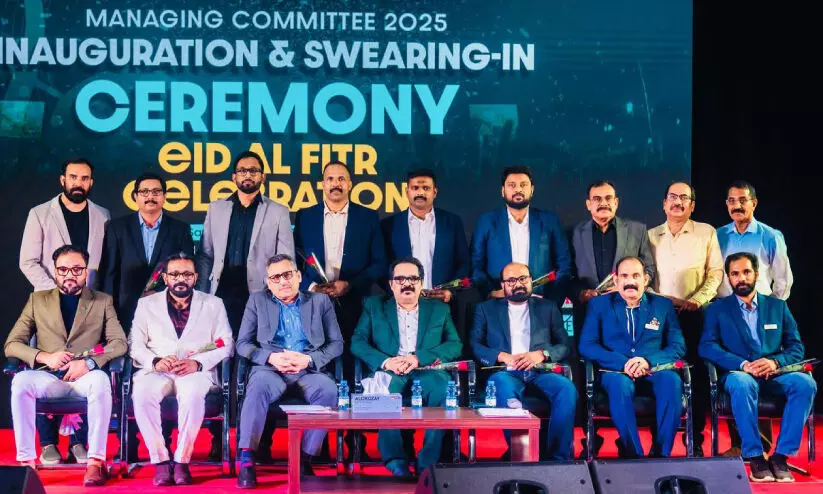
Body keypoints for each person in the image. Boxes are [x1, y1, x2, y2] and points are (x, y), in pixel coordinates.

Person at [197, 150, 294, 460]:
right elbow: (206, 255)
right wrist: (203, 296)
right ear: (234, 176)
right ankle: (218, 438)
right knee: (219, 363)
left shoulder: (278, 211)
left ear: (262, 176)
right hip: (222, 297)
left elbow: (286, 260)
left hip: (262, 298)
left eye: (253, 170)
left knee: (260, 365)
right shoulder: (217, 208)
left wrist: (278, 296)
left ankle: (261, 441)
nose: (247, 175)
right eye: (242, 170)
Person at [4, 245, 127, 486]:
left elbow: (119, 343)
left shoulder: (102, 301)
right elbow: (12, 344)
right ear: (55, 272)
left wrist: (89, 363)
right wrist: (44, 356)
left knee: (101, 380)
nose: (70, 274)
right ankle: (26, 463)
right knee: (20, 382)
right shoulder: (37, 300)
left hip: (84, 377)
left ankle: (95, 463)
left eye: (77, 269)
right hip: (49, 377)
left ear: (86, 272)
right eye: (63, 269)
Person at [293, 160, 387, 457]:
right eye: (330, 179)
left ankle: (354, 440)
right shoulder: (305, 216)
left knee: (351, 370)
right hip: (314, 305)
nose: (336, 184)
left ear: (350, 184)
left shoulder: (367, 217)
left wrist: (351, 284)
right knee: (320, 369)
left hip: (353, 305)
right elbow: (294, 260)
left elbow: (380, 263)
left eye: (341, 179)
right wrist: (311, 285)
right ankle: (318, 441)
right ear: (322, 184)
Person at [20, 158, 109, 463]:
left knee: (85, 370)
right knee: (46, 370)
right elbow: (28, 261)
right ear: (63, 180)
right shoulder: (40, 213)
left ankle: (78, 442)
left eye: (84, 178)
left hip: (87, 306)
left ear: (91, 182)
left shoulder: (102, 215)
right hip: (49, 305)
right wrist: (58, 289)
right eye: (73, 177)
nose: (78, 183)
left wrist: (83, 292)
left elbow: (102, 264)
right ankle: (48, 442)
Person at [699, 252, 815, 483]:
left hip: (774, 374)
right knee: (742, 383)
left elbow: (796, 348)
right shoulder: (717, 309)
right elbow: (707, 346)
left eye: (746, 272)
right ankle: (755, 456)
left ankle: (780, 457)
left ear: (756, 274)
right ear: (729, 278)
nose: (741, 278)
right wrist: (743, 364)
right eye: (735, 274)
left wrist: (775, 362)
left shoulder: (777, 306)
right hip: (739, 373)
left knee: (805, 383)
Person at [235, 254, 343, 488]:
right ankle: (247, 459)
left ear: (298, 276)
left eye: (287, 275)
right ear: (268, 282)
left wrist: (309, 360)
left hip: (308, 370)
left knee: (328, 391)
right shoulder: (257, 301)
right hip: (271, 369)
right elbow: (242, 343)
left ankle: (305, 458)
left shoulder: (320, 302)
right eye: (276, 277)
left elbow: (336, 344)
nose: (283, 281)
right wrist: (270, 357)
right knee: (257, 387)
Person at [350, 257, 462, 477]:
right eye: (400, 279)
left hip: (426, 369)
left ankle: (428, 461)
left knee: (443, 390)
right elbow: (357, 341)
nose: (407, 284)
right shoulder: (374, 306)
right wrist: (386, 361)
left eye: (413, 278)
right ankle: (395, 461)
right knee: (384, 391)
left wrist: (418, 358)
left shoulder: (439, 309)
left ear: (421, 283)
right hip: (390, 368)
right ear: (391, 284)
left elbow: (454, 344)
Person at [130, 252, 234, 486]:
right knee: (142, 394)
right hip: (157, 370)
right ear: (165, 277)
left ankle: (181, 461)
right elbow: (135, 345)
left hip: (195, 371)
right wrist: (155, 361)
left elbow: (227, 344)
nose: (181, 279)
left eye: (187, 274)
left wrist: (198, 363)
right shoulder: (146, 304)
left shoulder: (213, 304)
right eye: (175, 274)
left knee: (192, 394)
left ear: (195, 277)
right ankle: (160, 460)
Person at [570, 179, 656, 456]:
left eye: (608, 198)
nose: (603, 203)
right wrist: (581, 292)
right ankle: (590, 439)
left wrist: (627, 288)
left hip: (628, 309)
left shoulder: (637, 230)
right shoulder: (575, 232)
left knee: (628, 372)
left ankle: (627, 440)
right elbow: (567, 272)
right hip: (589, 311)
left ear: (617, 202)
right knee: (586, 373)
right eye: (597, 199)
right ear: (588, 204)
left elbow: (649, 269)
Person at [579, 256, 686, 458]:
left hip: (654, 369)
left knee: (671, 381)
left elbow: (677, 346)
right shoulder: (599, 305)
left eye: (636, 276)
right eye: (624, 276)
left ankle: (662, 456)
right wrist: (623, 363)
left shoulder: (662, 305)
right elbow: (587, 345)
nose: (630, 281)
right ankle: (634, 456)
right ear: (616, 280)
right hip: (616, 371)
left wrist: (647, 361)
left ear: (645, 279)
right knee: (619, 385)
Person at [716, 180, 792, 456]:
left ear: (754, 203)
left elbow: (783, 281)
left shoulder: (770, 236)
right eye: (731, 200)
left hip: (761, 314)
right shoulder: (718, 236)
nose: (737, 205)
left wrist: (771, 312)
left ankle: (764, 445)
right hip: (727, 315)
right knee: (738, 376)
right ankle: (740, 445)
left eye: (742, 200)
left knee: (761, 370)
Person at [471, 262, 577, 460]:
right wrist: (501, 356)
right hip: (505, 372)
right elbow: (476, 345)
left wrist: (542, 354)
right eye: (511, 280)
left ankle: (558, 459)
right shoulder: (485, 309)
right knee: (502, 387)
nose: (518, 284)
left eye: (523, 279)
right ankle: (521, 453)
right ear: (502, 285)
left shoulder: (548, 307)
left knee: (567, 389)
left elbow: (565, 345)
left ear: (531, 281)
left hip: (541, 370)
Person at [648, 181, 723, 455]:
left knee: (698, 378)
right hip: (659, 318)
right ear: (664, 203)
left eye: (684, 197)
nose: (677, 201)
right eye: (672, 196)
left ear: (692, 205)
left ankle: (695, 442)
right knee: (660, 375)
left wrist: (695, 301)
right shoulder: (650, 236)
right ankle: (659, 442)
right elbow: (644, 276)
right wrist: (660, 301)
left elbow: (716, 273)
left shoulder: (706, 232)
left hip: (695, 316)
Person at [471, 165, 571, 307]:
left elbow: (564, 265)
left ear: (532, 190)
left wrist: (552, 303)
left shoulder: (550, 221)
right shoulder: (486, 222)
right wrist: (491, 293)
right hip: (498, 303)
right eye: (512, 185)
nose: (518, 189)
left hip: (541, 303)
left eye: (523, 185)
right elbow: (475, 264)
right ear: (503, 191)